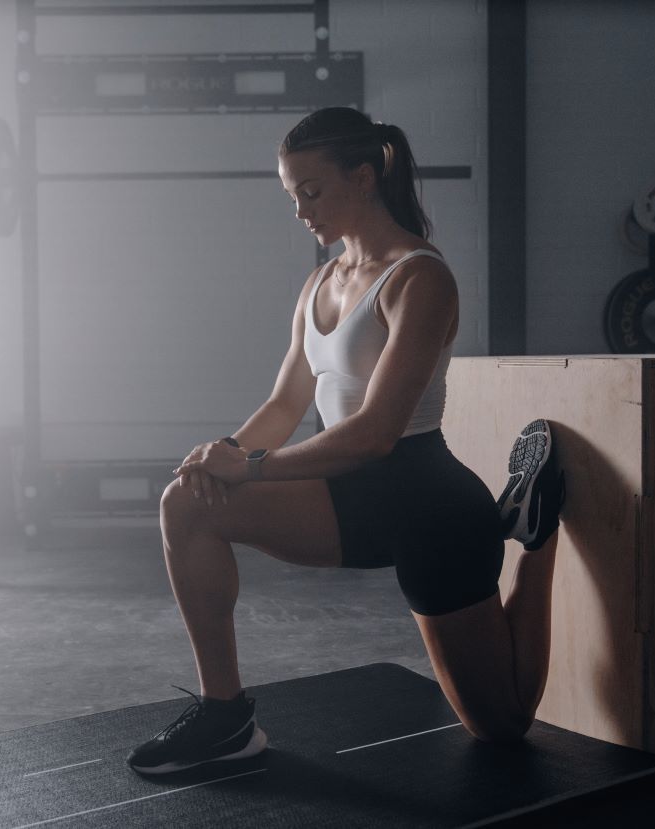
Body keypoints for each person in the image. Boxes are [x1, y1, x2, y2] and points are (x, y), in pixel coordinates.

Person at [127, 107, 565, 775]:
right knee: (186, 502)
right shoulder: (318, 283)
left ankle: (532, 537)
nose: (300, 209)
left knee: (501, 727)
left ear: (362, 178)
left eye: (311, 190)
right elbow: (286, 401)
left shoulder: (421, 278)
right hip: (345, 487)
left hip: (427, 501)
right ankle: (225, 717)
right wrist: (221, 459)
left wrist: (248, 467)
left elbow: (378, 432)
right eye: (290, 193)